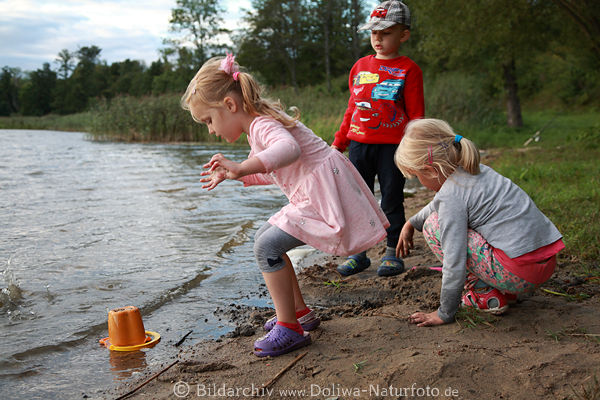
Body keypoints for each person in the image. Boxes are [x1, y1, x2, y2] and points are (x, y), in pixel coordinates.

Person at [181, 53, 390, 356]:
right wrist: (237, 174)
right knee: (264, 237)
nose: (211, 130)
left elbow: (288, 150)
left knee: (266, 248)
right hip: (315, 191)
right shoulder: (260, 126)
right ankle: (298, 313)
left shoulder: (263, 125)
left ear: (229, 105)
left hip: (321, 196)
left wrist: (241, 166)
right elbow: (280, 171)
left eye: (209, 121)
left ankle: (289, 327)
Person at [394, 118, 565, 327]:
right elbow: (441, 202)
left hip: (520, 273)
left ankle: (483, 292)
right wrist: (411, 223)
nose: (419, 181)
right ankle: (503, 287)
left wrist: (444, 313)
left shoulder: (451, 197)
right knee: (442, 219)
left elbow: (453, 261)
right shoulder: (476, 170)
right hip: (544, 264)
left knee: (433, 226)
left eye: (417, 176)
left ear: (430, 170)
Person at [332, 0, 424, 277]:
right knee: (358, 200)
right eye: (374, 33)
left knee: (391, 200)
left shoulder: (409, 69)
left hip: (393, 148)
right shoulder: (360, 66)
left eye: (385, 33)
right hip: (359, 146)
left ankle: (391, 253)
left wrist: (416, 148)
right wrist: (339, 141)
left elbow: (417, 116)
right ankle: (359, 253)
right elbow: (353, 107)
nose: (378, 39)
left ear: (403, 35)